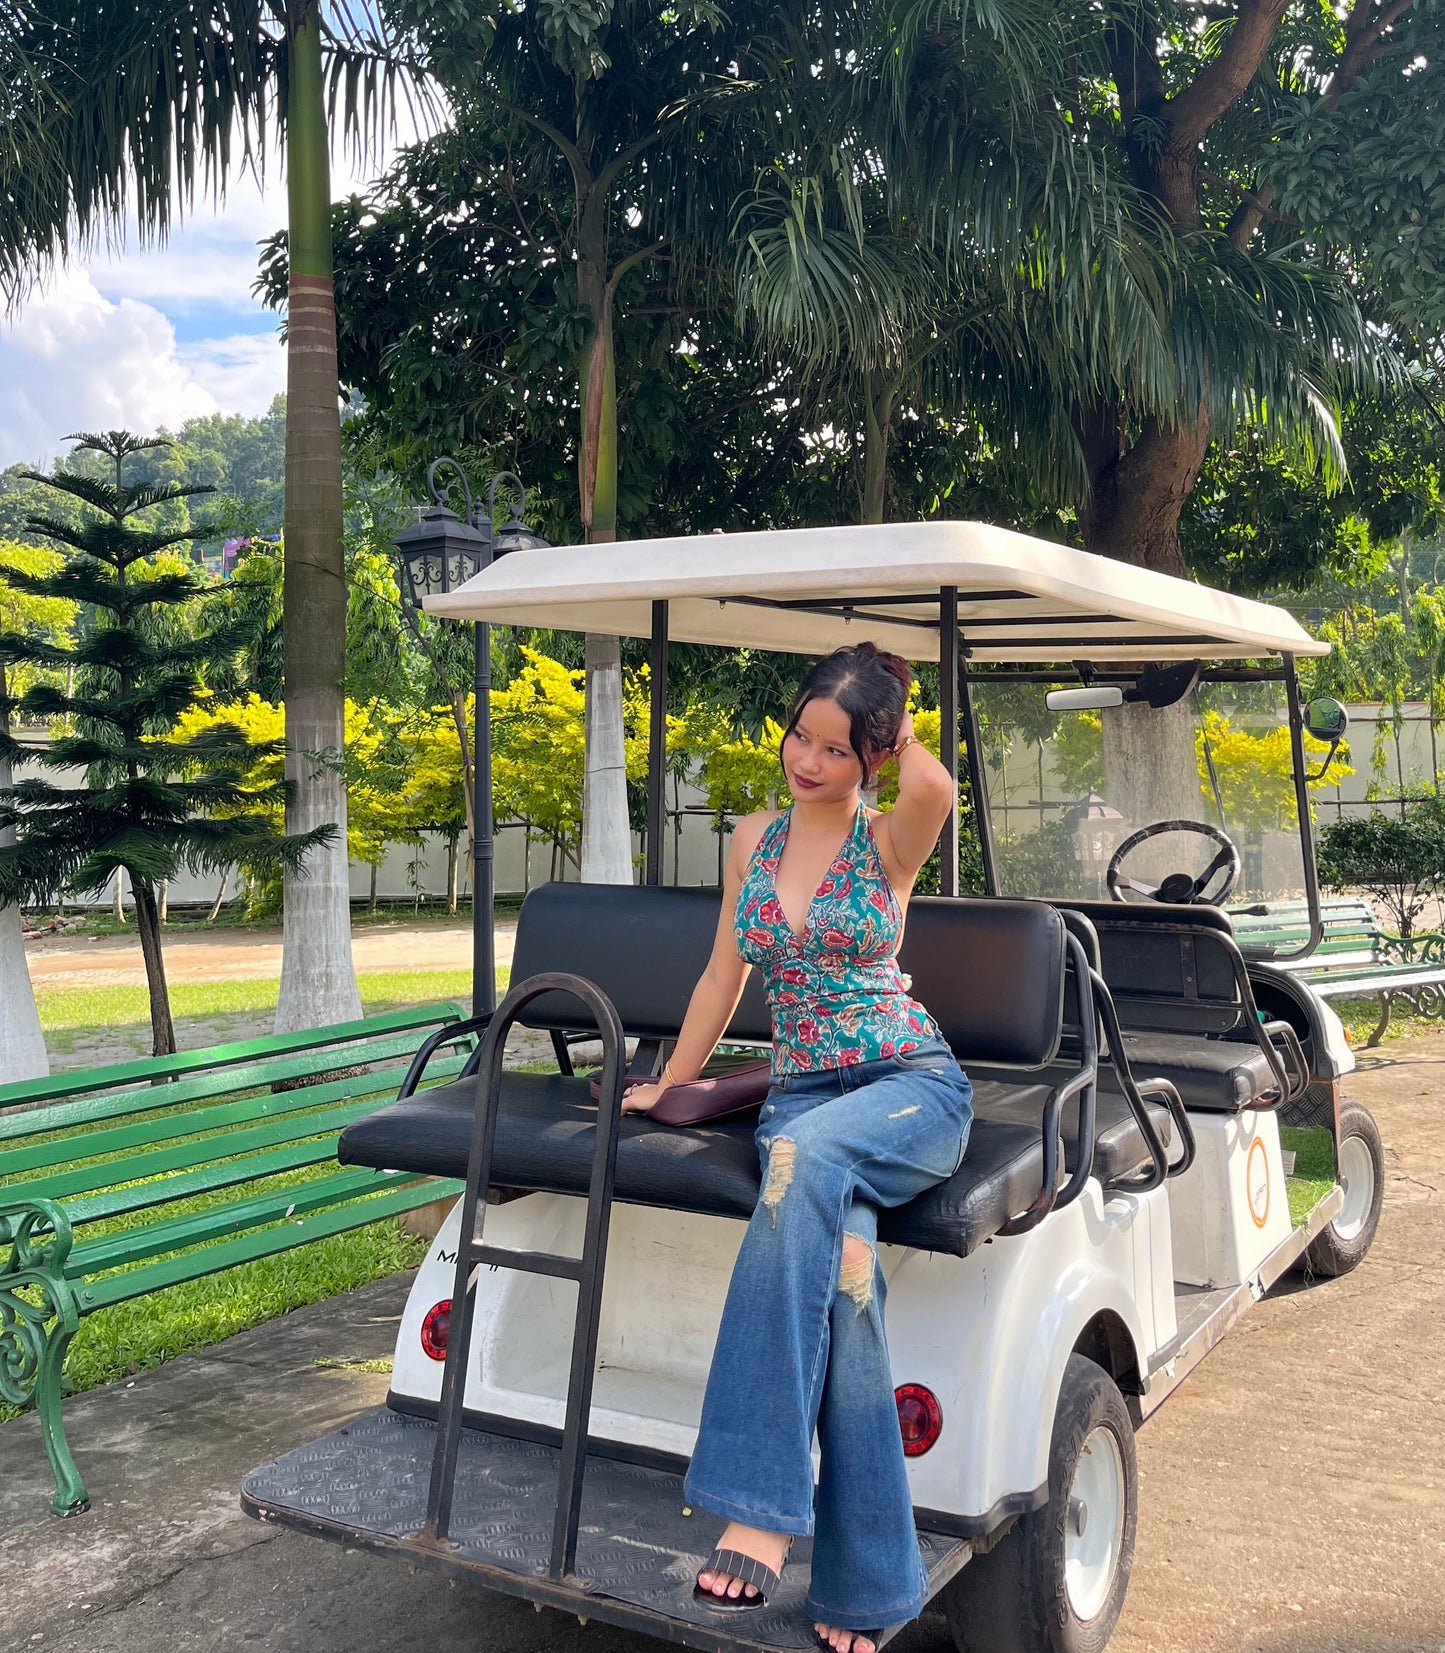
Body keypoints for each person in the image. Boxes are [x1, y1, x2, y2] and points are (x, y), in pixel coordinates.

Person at [620, 641, 973, 1653]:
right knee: (849, 1276)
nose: (806, 760)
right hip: (803, 1099)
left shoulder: (889, 835)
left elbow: (934, 783)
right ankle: (868, 1588)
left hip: (907, 1088)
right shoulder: (751, 839)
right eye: (797, 736)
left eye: (832, 747)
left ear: (867, 754)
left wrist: (894, 727)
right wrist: (672, 1086)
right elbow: (720, 978)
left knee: (801, 1165)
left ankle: (761, 1506)